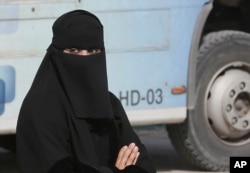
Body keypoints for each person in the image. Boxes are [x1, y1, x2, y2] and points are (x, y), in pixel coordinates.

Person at [16, 9, 156, 173]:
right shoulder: (40, 111)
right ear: (56, 53)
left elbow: (145, 167)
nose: (84, 59)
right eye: (74, 51)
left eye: (93, 51)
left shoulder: (110, 105)